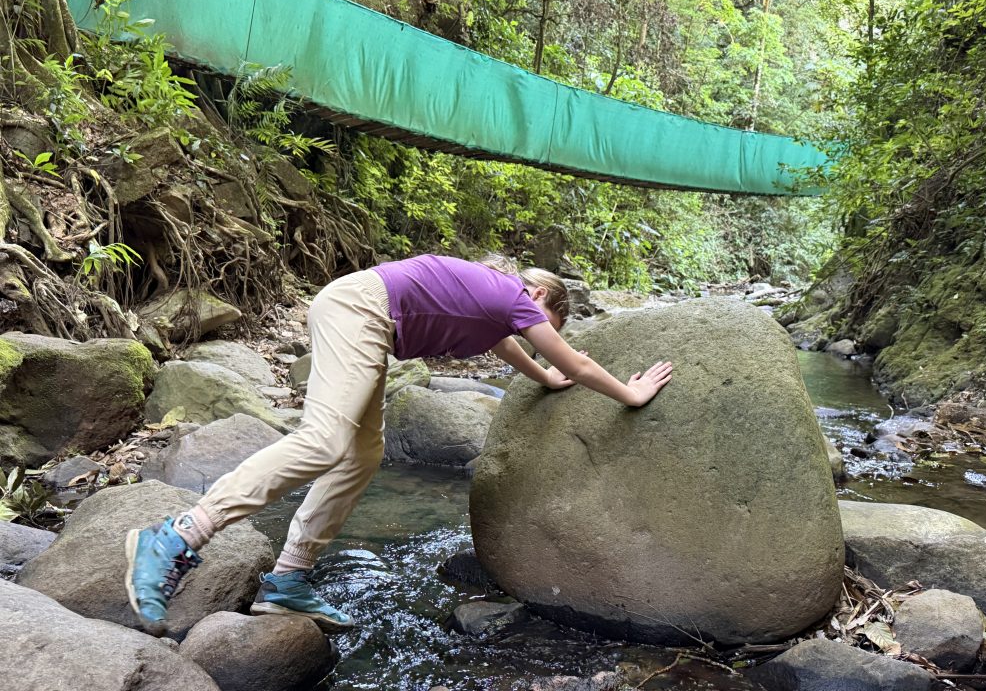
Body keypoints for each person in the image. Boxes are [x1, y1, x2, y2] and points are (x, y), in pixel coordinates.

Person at [125, 254, 672, 636]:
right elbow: (572, 358)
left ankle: (288, 578)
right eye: (545, 323)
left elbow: (516, 350)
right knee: (323, 442)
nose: (539, 333)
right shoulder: (513, 295)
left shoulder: (494, 305)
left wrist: (545, 379)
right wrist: (630, 393)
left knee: (361, 455)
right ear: (539, 296)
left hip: (367, 321)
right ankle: (176, 536)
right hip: (360, 311)